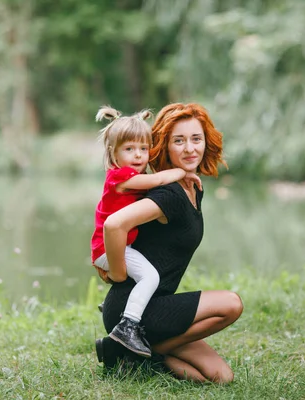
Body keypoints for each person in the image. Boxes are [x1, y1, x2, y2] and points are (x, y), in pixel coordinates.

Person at [95, 103, 244, 383]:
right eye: (179, 141)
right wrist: (116, 270)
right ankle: (125, 342)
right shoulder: (169, 194)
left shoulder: (191, 187)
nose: (189, 149)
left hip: (157, 306)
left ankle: (134, 354)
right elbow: (113, 224)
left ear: (205, 142)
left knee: (220, 377)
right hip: (131, 309)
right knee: (231, 303)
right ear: (164, 145)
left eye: (196, 139)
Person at [91, 105, 202, 358]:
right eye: (129, 149)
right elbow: (155, 181)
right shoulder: (120, 177)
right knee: (150, 277)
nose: (139, 155)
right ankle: (127, 325)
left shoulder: (130, 175)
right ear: (114, 154)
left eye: (143, 148)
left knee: (144, 274)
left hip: (118, 245)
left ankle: (125, 310)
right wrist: (181, 172)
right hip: (107, 248)